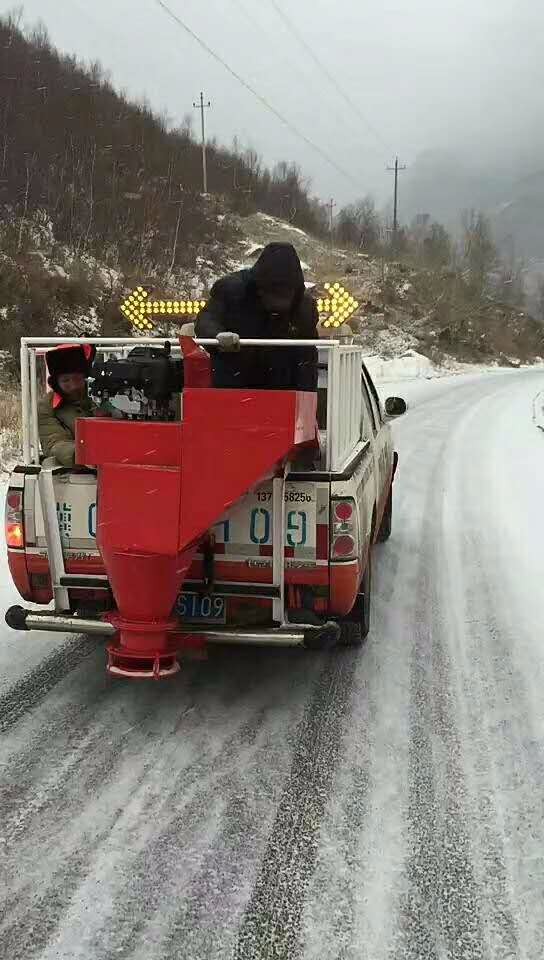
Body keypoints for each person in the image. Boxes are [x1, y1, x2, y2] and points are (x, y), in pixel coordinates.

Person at [195, 242, 318, 391]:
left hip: (284, 390)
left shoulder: (304, 307)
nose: (277, 303)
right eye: (273, 293)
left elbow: (307, 360)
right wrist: (218, 335)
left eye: (284, 295)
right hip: (234, 384)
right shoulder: (232, 291)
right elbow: (207, 319)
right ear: (260, 288)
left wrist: (309, 403)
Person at [38, 344, 97, 467]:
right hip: (74, 470)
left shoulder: (99, 398)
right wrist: (82, 455)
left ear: (84, 377)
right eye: (66, 380)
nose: (73, 385)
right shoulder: (47, 406)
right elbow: (54, 443)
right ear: (56, 382)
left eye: (77, 379)